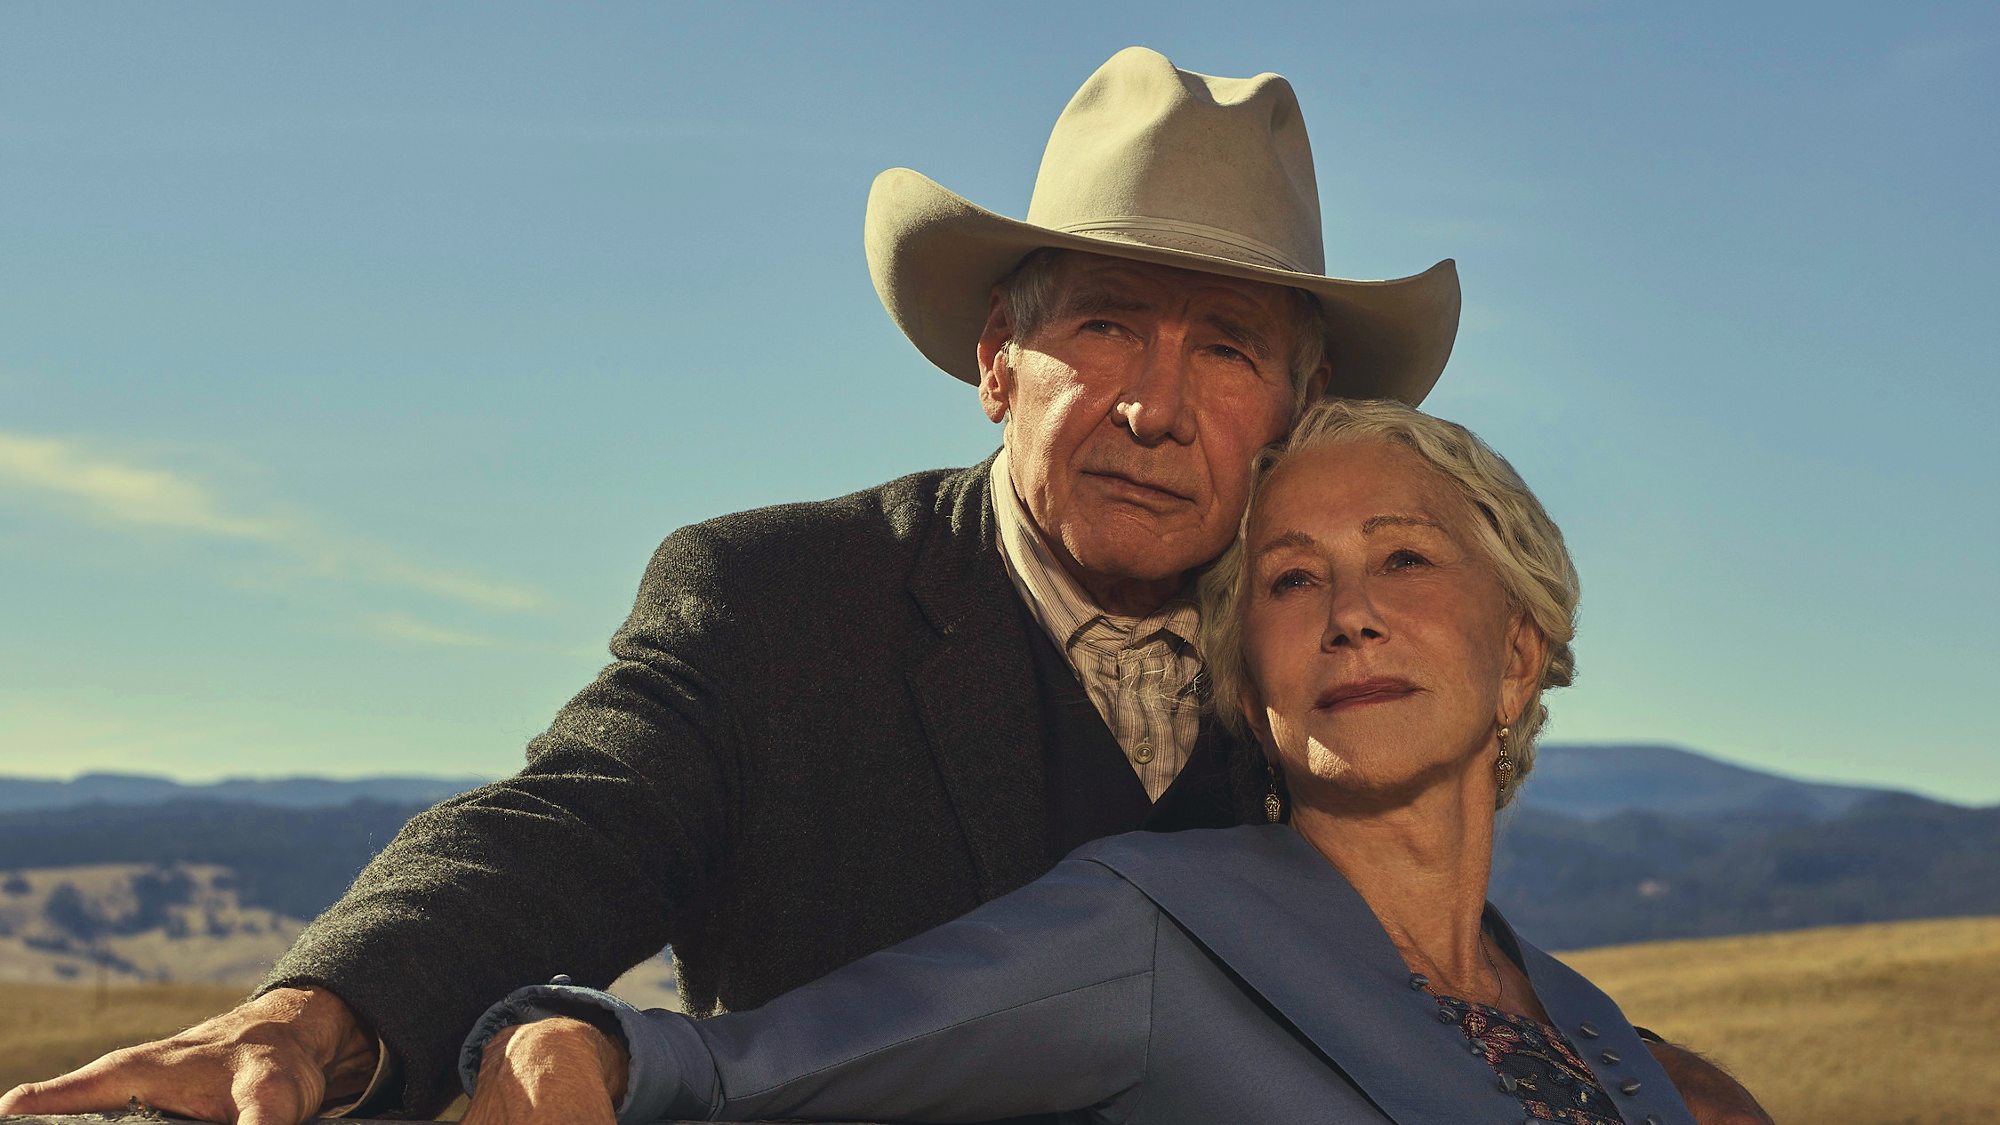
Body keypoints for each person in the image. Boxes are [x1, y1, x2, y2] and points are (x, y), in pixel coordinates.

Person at [0, 48, 1765, 1125]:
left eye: (1225, 347)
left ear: (1292, 405)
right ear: (996, 360)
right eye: (1102, 328)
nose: (1157, 401)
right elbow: (568, 825)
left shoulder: (1320, 681)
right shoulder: (783, 603)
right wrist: (331, 1009)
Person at [454, 399, 1711, 1125]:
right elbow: (746, 1071)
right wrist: (580, 1047)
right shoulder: (1155, 926)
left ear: (1516, 653)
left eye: (1404, 557)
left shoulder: (1593, 1030)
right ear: (1245, 680)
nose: (1349, 611)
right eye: (1288, 579)